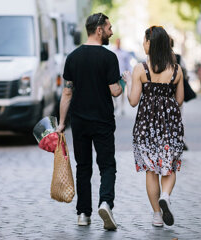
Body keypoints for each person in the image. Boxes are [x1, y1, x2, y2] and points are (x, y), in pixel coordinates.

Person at [57, 12, 122, 230]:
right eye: (109, 27)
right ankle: (106, 203)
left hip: (80, 122)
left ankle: (83, 214)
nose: (111, 32)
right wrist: (124, 82)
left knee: (83, 167)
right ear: (99, 30)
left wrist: (61, 124)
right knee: (107, 166)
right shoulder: (109, 57)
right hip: (102, 121)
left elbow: (67, 93)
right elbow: (115, 91)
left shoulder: (73, 57)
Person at [122, 26, 184, 227]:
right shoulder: (176, 70)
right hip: (170, 126)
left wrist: (130, 81)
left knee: (151, 170)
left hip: (146, 127)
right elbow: (180, 100)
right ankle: (165, 195)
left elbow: (133, 101)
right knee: (169, 166)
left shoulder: (141, 69)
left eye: (145, 41)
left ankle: (157, 215)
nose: (143, 44)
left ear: (151, 43)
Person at [112, 38, 132, 115]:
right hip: (114, 75)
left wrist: (128, 73)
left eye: (119, 42)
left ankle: (122, 108)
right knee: (113, 91)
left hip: (121, 74)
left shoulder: (124, 53)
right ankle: (116, 103)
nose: (118, 43)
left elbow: (128, 64)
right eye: (117, 42)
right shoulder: (112, 52)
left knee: (122, 91)